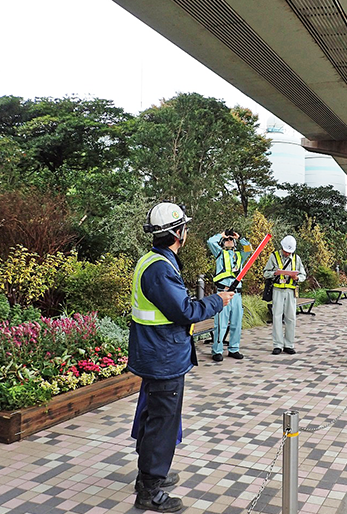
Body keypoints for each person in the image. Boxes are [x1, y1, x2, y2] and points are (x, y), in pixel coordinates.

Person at [128, 202, 234, 512]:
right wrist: (218, 300)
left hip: (156, 353)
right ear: (178, 233)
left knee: (153, 418)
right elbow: (185, 312)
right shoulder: (161, 269)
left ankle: (147, 476)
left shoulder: (153, 260)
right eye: (184, 227)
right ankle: (150, 490)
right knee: (162, 423)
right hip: (163, 358)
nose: (186, 232)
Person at [206, 229, 252, 361]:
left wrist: (240, 237)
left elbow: (248, 249)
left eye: (231, 239)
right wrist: (222, 234)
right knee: (221, 323)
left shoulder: (239, 256)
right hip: (223, 293)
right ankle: (217, 350)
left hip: (236, 295)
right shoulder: (219, 253)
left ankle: (234, 348)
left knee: (236, 323)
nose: (229, 241)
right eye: (227, 239)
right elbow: (210, 241)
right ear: (223, 242)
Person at [263, 235, 306, 355]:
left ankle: (289, 344)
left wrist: (297, 277)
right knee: (276, 317)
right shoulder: (274, 256)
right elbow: (265, 273)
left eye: (289, 252)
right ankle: (277, 345)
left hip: (291, 291)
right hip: (277, 290)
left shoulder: (297, 259)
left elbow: (303, 275)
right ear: (282, 248)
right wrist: (274, 273)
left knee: (291, 317)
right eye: (286, 251)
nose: (287, 254)